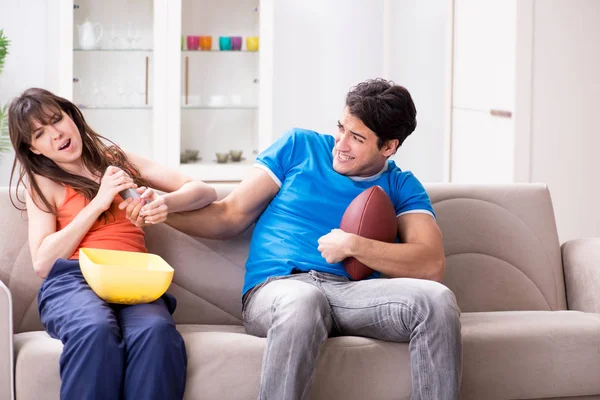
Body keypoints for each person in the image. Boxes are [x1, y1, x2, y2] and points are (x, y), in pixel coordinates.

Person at [168, 78, 462, 400]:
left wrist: (353, 246)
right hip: (279, 289)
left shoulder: (402, 186)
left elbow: (431, 264)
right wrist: (159, 213)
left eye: (357, 138)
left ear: (388, 146)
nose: (341, 144)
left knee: (437, 302)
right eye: (341, 128)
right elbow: (229, 215)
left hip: (354, 295)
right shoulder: (298, 147)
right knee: (305, 301)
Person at [8, 88, 217, 400]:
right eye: (40, 133)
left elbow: (203, 191)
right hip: (72, 280)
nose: (57, 134)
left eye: (57, 120)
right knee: (95, 330)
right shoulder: (43, 182)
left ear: (71, 116)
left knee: (156, 334)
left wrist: (165, 203)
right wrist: (99, 200)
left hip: (134, 278)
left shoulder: (118, 160)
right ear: (34, 148)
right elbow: (43, 262)